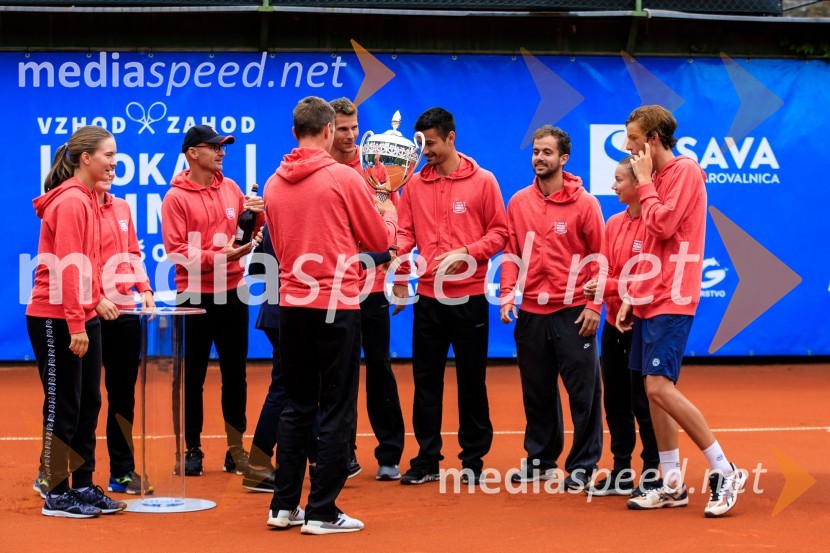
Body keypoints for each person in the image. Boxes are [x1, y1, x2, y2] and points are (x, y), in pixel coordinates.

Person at [264, 96, 397, 534]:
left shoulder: (272, 183)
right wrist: (389, 215)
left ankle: (283, 507)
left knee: (298, 405)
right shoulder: (342, 176)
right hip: (335, 305)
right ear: (326, 131)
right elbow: (378, 238)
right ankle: (322, 510)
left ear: (294, 132)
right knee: (337, 407)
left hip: (292, 305)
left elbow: (281, 250)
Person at [616, 105, 748, 516]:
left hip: (673, 295)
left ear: (653, 139)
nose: (628, 148)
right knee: (652, 395)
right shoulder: (655, 177)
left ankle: (725, 469)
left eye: (634, 140)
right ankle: (671, 481)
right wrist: (630, 294)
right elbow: (650, 244)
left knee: (658, 386)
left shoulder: (686, 171)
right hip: (649, 296)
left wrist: (643, 182)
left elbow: (663, 227)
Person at [392, 107, 508, 485]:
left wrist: (468, 253)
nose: (425, 150)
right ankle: (426, 460)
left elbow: (500, 234)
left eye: (432, 143)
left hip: (469, 298)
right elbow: (405, 236)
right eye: (421, 143)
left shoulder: (484, 181)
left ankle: (473, 460)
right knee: (426, 381)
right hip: (427, 298)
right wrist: (398, 269)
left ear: (451, 138)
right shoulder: (413, 186)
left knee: (472, 380)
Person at [27, 125, 127, 517]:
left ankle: (82, 486)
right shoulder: (70, 201)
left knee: (89, 403)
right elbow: (68, 267)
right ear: (86, 159)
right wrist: (75, 323)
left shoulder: (88, 198)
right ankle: (55, 492)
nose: (114, 163)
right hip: (56, 318)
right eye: (108, 155)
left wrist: (96, 300)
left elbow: (89, 263)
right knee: (63, 406)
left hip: (81, 313)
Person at [499, 125, 604, 491]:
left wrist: (594, 304)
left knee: (584, 392)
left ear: (564, 159)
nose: (539, 158)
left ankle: (584, 465)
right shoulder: (518, 202)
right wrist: (508, 292)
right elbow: (511, 252)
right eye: (536, 152)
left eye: (547, 152)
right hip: (531, 312)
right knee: (537, 390)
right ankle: (542, 459)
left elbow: (600, 258)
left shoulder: (586, 204)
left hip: (574, 310)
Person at [161, 124, 263, 477]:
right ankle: (192, 449)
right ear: (193, 153)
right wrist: (223, 257)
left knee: (236, 376)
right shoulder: (175, 198)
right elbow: (177, 252)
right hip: (193, 296)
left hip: (234, 292)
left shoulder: (232, 188)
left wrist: (260, 217)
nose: (222, 152)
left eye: (224, 148)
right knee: (193, 377)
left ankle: (236, 450)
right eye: (215, 147)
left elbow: (249, 231)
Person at [329, 97, 405, 481]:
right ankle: (342, 452)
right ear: (328, 128)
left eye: (355, 127)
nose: (351, 136)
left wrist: (393, 251)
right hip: (332, 290)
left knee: (379, 368)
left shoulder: (375, 167)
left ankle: (390, 453)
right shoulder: (320, 170)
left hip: (371, 288)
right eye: (343, 129)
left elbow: (396, 219)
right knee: (338, 375)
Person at [583, 156, 660, 497]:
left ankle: (654, 471)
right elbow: (605, 269)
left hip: (643, 324)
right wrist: (598, 296)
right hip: (614, 323)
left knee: (643, 402)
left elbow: (647, 275)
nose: (613, 186)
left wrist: (611, 287)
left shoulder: (655, 226)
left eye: (618, 180)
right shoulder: (612, 222)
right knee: (614, 400)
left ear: (637, 183)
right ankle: (621, 470)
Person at [242, 226, 319, 492]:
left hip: (281, 311)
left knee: (301, 387)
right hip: (293, 312)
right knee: (286, 389)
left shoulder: (275, 215)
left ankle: (319, 457)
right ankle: (258, 465)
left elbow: (256, 269)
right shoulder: (305, 214)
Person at [94, 175, 157, 496]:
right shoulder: (77, 207)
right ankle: (53, 471)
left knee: (122, 396)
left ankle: (121, 471)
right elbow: (74, 262)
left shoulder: (121, 206)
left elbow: (132, 252)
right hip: (90, 311)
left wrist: (144, 287)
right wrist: (94, 297)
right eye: (108, 159)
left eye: (116, 162)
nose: (112, 169)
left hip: (125, 312)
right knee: (78, 399)